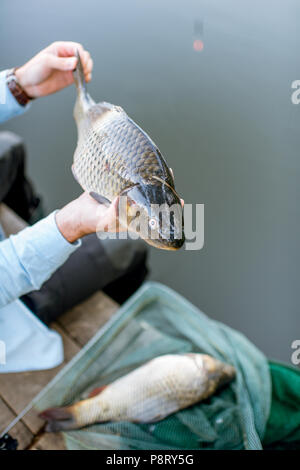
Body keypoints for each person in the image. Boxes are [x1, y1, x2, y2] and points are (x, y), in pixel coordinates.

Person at [0, 42, 147, 373]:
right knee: (128, 245)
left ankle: (32, 221)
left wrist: (18, 86)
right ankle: (107, 324)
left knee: (8, 148)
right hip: (7, 305)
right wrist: (67, 227)